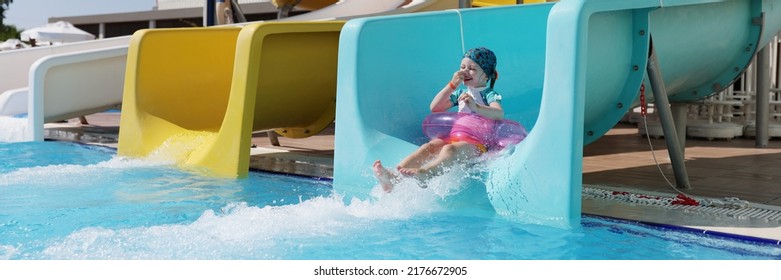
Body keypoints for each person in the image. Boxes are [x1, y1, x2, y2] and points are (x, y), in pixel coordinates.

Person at [373, 47, 504, 192]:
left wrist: (476, 107)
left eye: (472, 68)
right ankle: (393, 177)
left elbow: (498, 113)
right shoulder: (461, 93)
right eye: (462, 67)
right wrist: (452, 85)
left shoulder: (489, 94)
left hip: (477, 145)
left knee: (450, 149)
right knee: (429, 147)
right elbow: (435, 107)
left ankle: (427, 173)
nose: (465, 71)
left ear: (486, 75)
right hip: (456, 137)